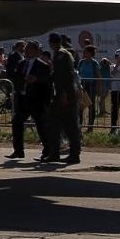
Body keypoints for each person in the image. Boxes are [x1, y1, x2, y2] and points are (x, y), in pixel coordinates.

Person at [44, 34, 81, 164]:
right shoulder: (59, 54)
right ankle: (54, 153)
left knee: (70, 125)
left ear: (51, 43)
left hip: (66, 93)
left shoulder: (62, 55)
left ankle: (74, 154)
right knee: (54, 123)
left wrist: (64, 94)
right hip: (60, 93)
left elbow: (67, 76)